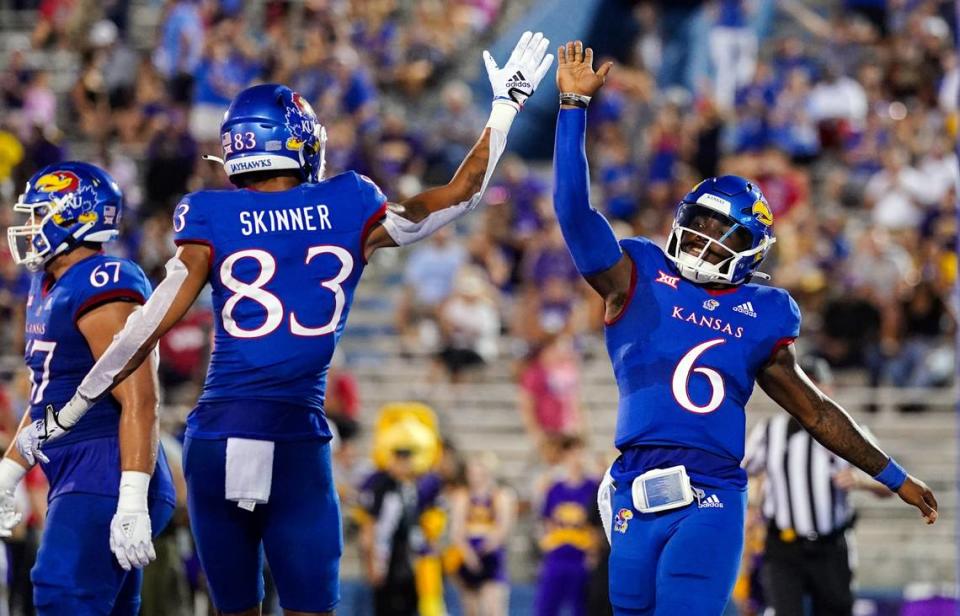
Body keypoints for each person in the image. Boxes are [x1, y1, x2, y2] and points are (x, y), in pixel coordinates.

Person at [22, 33, 554, 616]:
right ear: (296, 141)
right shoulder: (350, 201)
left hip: (219, 437)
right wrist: (504, 109)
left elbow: (144, 327)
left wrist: (73, 408)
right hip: (296, 436)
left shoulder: (209, 214)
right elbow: (460, 194)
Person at [550, 40, 938, 615]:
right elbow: (572, 211)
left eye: (721, 229)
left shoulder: (764, 311)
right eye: (699, 221)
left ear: (749, 249)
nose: (704, 236)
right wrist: (572, 108)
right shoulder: (637, 272)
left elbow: (817, 412)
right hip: (635, 482)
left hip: (711, 492)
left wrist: (895, 475)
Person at [1, 162, 175, 614]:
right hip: (79, 465)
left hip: (109, 465)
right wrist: (8, 474)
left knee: (61, 592)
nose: (28, 226)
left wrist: (132, 497)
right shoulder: (47, 283)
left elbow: (140, 396)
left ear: (74, 215)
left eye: (39, 214)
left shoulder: (104, 282)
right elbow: (47, 395)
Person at [742, 357, 892, 616]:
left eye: (815, 385)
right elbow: (742, 472)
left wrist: (860, 481)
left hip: (831, 546)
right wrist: (753, 505)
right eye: (803, 385)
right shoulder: (769, 431)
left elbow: (889, 486)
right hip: (783, 547)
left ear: (829, 388)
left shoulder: (853, 432)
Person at [534, 436, 599, 616]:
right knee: (545, 607)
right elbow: (546, 521)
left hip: (581, 556)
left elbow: (597, 524)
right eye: (571, 453)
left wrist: (593, 553)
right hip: (557, 555)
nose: (576, 458)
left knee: (581, 608)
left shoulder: (594, 487)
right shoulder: (554, 488)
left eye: (579, 453)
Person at [448, 453, 516, 616]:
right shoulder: (462, 496)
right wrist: (468, 553)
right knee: (471, 608)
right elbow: (456, 530)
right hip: (468, 555)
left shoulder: (500, 496)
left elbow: (504, 527)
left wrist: (488, 545)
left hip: (491, 555)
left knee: (493, 606)